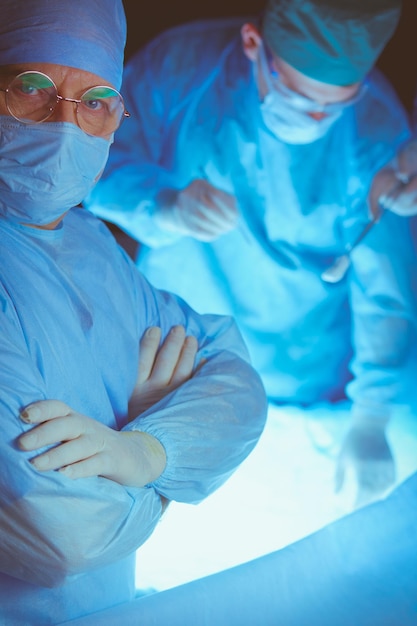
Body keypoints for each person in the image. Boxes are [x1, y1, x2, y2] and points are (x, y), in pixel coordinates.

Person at [85, 0, 417, 509]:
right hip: (178, 361)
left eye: (334, 105)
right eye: (298, 94)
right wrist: (162, 204)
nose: (314, 116)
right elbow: (92, 161)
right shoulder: (182, 66)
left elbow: (385, 292)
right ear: (252, 44)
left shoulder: (376, 129)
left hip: (306, 375)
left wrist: (371, 419)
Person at [0, 2, 268, 624]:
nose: (64, 124)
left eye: (95, 101)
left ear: (119, 116)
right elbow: (62, 535)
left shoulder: (91, 244)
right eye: (33, 87)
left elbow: (234, 376)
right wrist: (165, 471)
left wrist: (146, 449)